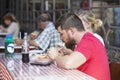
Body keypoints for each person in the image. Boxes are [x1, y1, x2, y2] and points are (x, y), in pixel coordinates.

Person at [48, 12, 110, 80]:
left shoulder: (88, 41)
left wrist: (55, 56)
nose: (60, 38)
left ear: (71, 31)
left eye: (61, 34)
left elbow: (67, 64)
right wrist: (69, 53)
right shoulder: (86, 40)